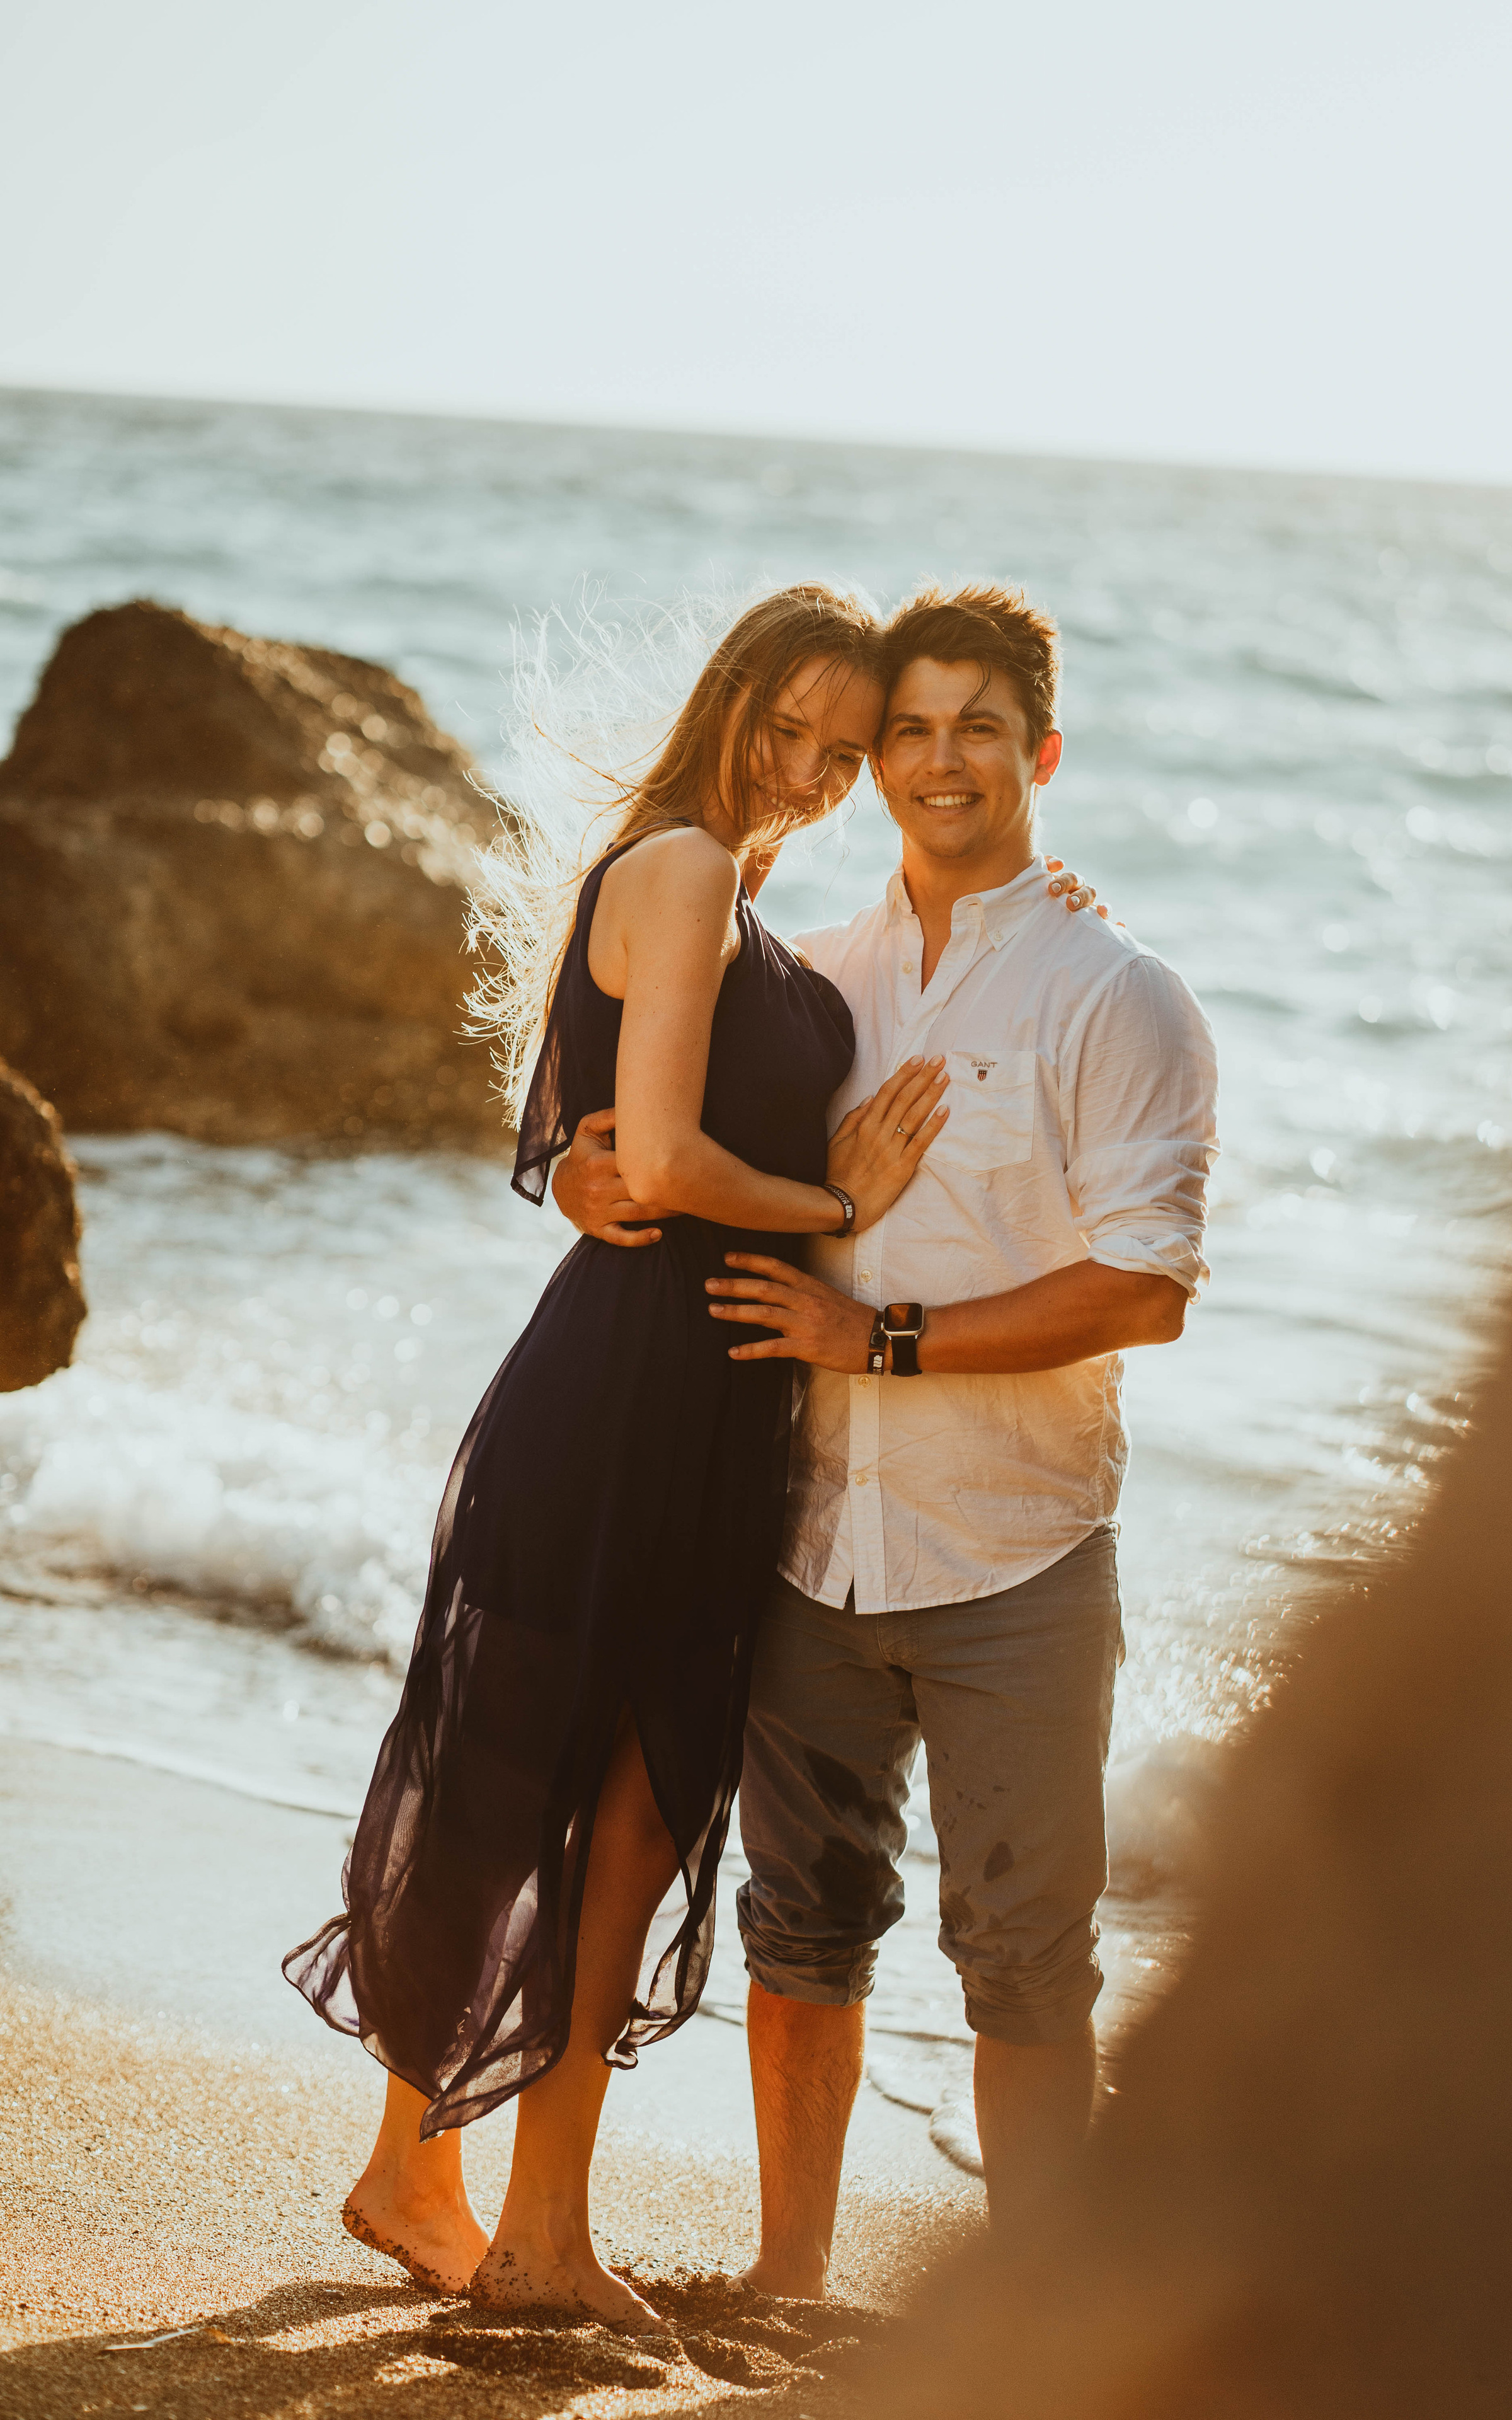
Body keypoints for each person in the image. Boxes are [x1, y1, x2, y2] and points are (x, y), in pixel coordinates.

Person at [282, 585, 955, 2331]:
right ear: (730, 695)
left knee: (592, 1803)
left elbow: (592, 1146)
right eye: (786, 728)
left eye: (842, 752)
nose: (808, 770)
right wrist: (834, 1207)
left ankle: (488, 2203)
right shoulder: (685, 869)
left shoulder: (715, 889)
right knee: (562, 1795)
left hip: (694, 1398)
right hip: (630, 1399)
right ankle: (492, 2208)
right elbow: (647, 1161)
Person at [553, 584, 1218, 2291]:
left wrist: (881, 1338)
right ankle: (787, 2282)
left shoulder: (1117, 994)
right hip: (805, 1537)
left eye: (977, 728)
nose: (937, 761)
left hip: (1017, 1555)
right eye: (904, 731)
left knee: (1026, 1961)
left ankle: (1036, 2329)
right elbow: (655, 1109)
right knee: (802, 1927)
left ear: (1041, 754)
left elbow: (1147, 1288)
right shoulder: (817, 976)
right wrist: (573, 1168)